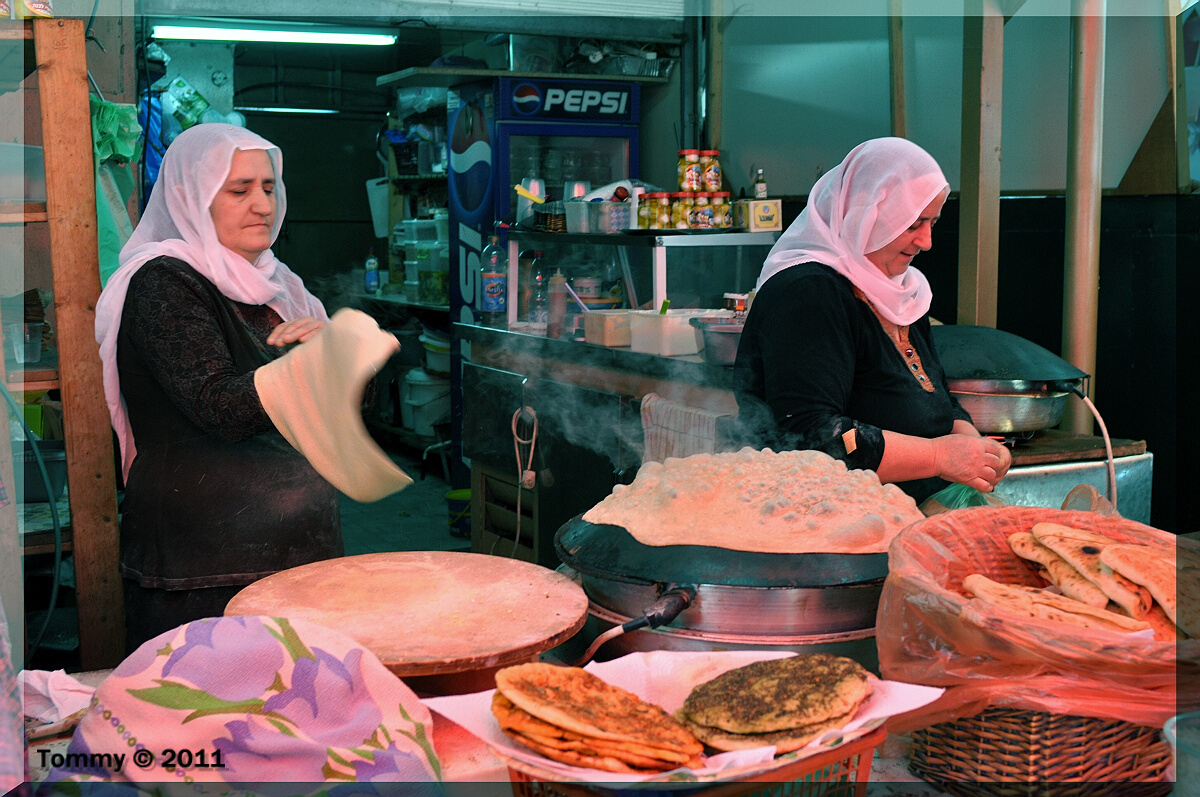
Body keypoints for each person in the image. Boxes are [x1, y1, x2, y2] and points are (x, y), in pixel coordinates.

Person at [95, 124, 341, 653]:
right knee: (208, 721)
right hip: (206, 569)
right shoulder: (165, 283)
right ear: (190, 197)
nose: (261, 205)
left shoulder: (280, 286)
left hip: (298, 554)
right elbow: (222, 407)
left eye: (269, 187)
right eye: (239, 190)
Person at [734, 137, 1011, 505]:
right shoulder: (808, 293)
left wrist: (976, 451)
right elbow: (812, 437)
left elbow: (936, 398)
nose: (926, 242)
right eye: (914, 223)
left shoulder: (899, 291)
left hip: (908, 511)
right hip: (825, 521)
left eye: (933, 223)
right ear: (870, 213)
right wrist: (939, 457)